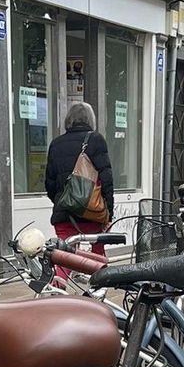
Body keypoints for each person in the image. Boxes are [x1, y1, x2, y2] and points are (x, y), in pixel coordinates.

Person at [45, 102, 115, 256]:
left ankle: (58, 280)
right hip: (93, 213)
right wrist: (109, 212)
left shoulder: (55, 144)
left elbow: (49, 183)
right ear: (91, 120)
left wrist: (64, 200)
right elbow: (106, 179)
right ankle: (100, 279)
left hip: (64, 214)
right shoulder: (96, 140)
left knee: (65, 258)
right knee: (97, 256)